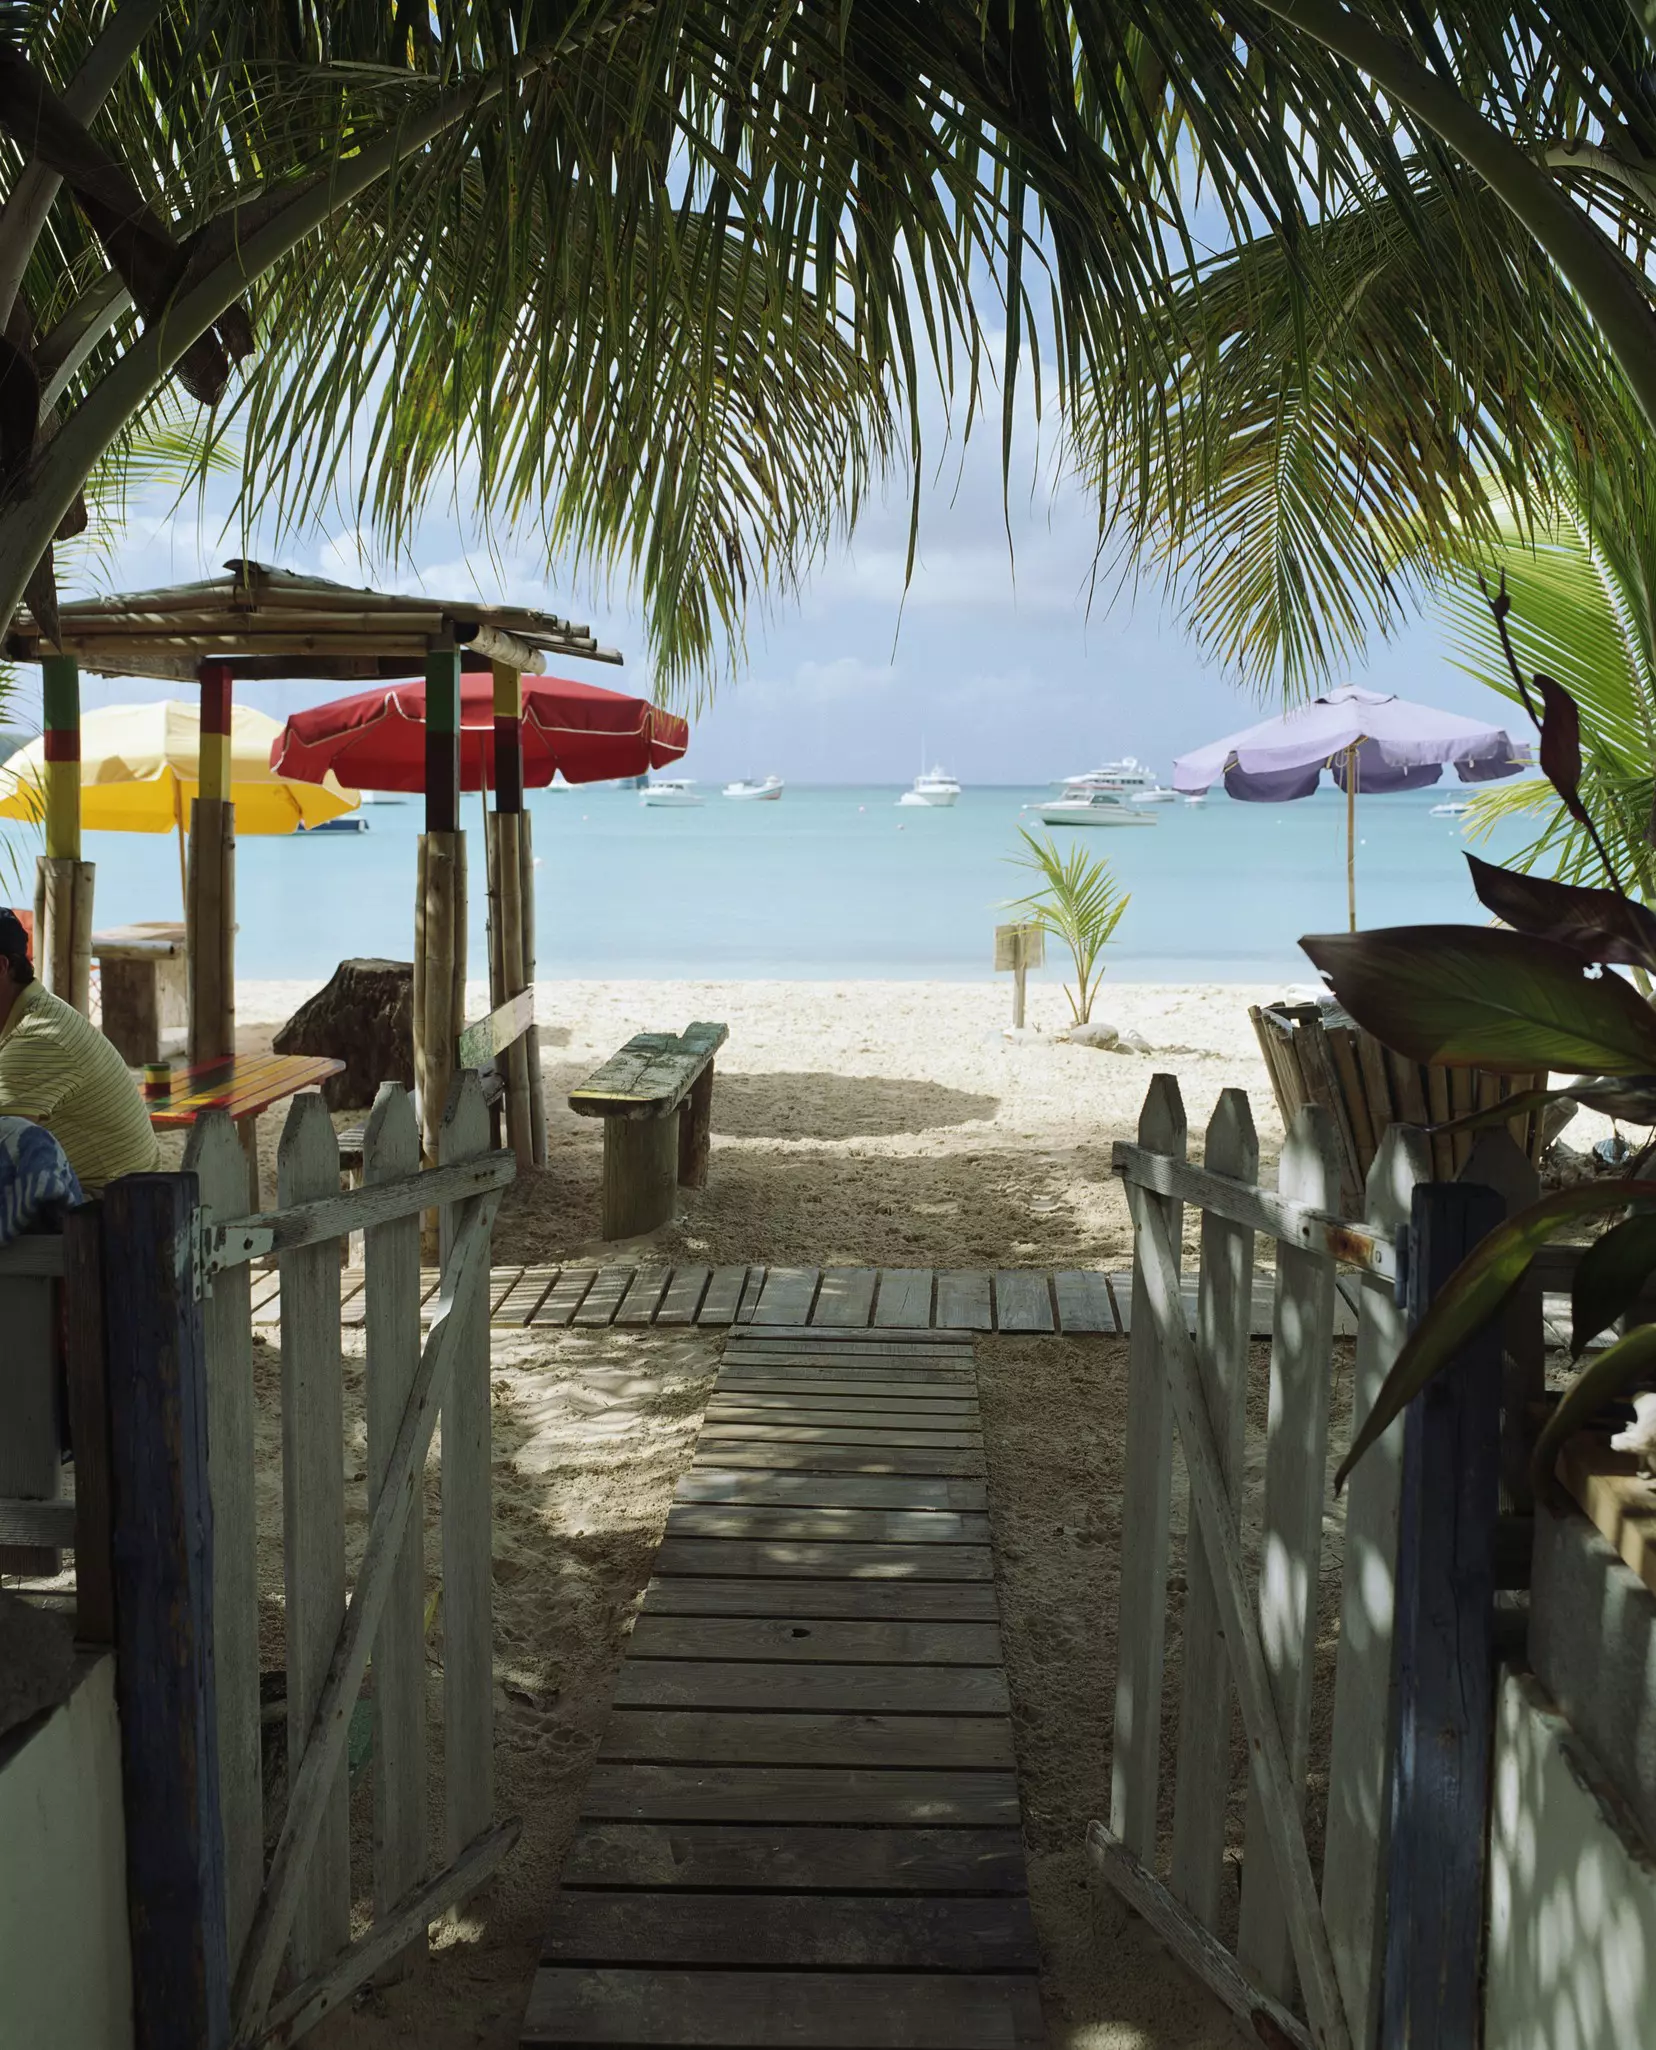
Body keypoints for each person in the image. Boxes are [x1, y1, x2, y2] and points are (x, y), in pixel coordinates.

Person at [0, 907, 159, 1192]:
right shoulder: (30, 1014)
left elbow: (4, 1148)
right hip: (121, 1196)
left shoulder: (38, 1037)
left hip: (102, 1215)